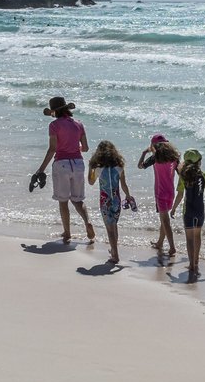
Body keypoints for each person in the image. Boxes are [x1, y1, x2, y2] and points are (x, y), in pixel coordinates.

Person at [32, 96, 95, 245]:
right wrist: (74, 148)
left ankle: (67, 232)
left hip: (62, 164)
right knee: (78, 200)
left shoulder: (54, 126)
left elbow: (53, 149)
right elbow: (85, 148)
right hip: (78, 163)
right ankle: (88, 222)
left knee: (63, 201)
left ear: (55, 111)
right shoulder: (79, 124)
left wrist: (40, 169)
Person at [88, 140, 135, 265]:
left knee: (109, 229)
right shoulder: (119, 167)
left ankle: (115, 255)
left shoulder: (98, 169)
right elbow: (124, 185)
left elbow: (90, 182)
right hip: (116, 201)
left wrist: (90, 169)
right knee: (114, 226)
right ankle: (114, 251)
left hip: (104, 201)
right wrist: (128, 196)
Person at [171, 149, 205, 278]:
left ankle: (191, 265)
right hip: (200, 211)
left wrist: (173, 208)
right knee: (197, 237)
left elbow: (180, 195)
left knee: (189, 239)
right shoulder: (204, 175)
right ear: (199, 162)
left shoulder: (183, 176)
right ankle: (196, 263)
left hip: (188, 211)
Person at [139, 133, 180, 256]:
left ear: (154, 146)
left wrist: (143, 153)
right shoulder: (174, 157)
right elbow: (180, 173)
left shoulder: (155, 158)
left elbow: (140, 166)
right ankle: (160, 243)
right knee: (164, 219)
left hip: (160, 193)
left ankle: (172, 247)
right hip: (171, 192)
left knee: (165, 221)